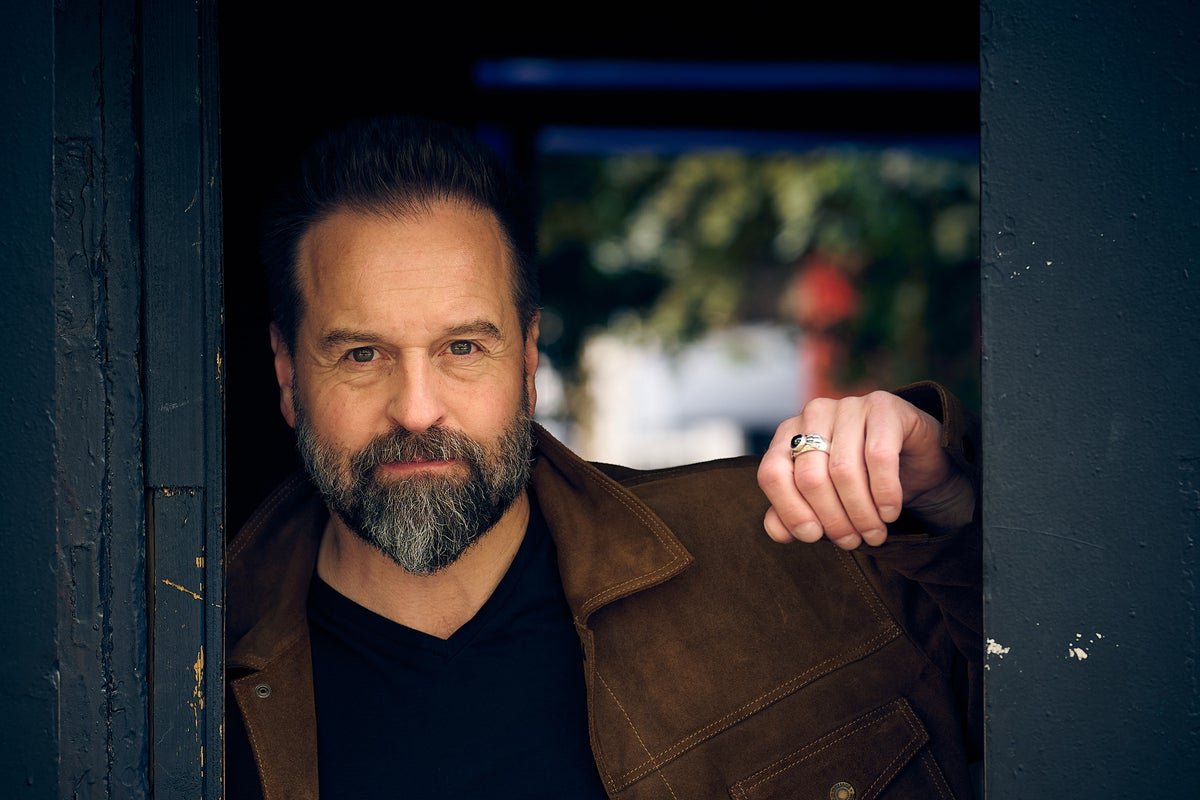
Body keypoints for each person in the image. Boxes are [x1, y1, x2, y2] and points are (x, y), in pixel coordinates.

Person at [225, 115, 981, 799]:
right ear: (289, 375)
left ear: (525, 358)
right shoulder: (180, 674)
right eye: (362, 354)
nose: (417, 407)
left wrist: (950, 506)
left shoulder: (791, 549)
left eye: (462, 347)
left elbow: (1060, 698)